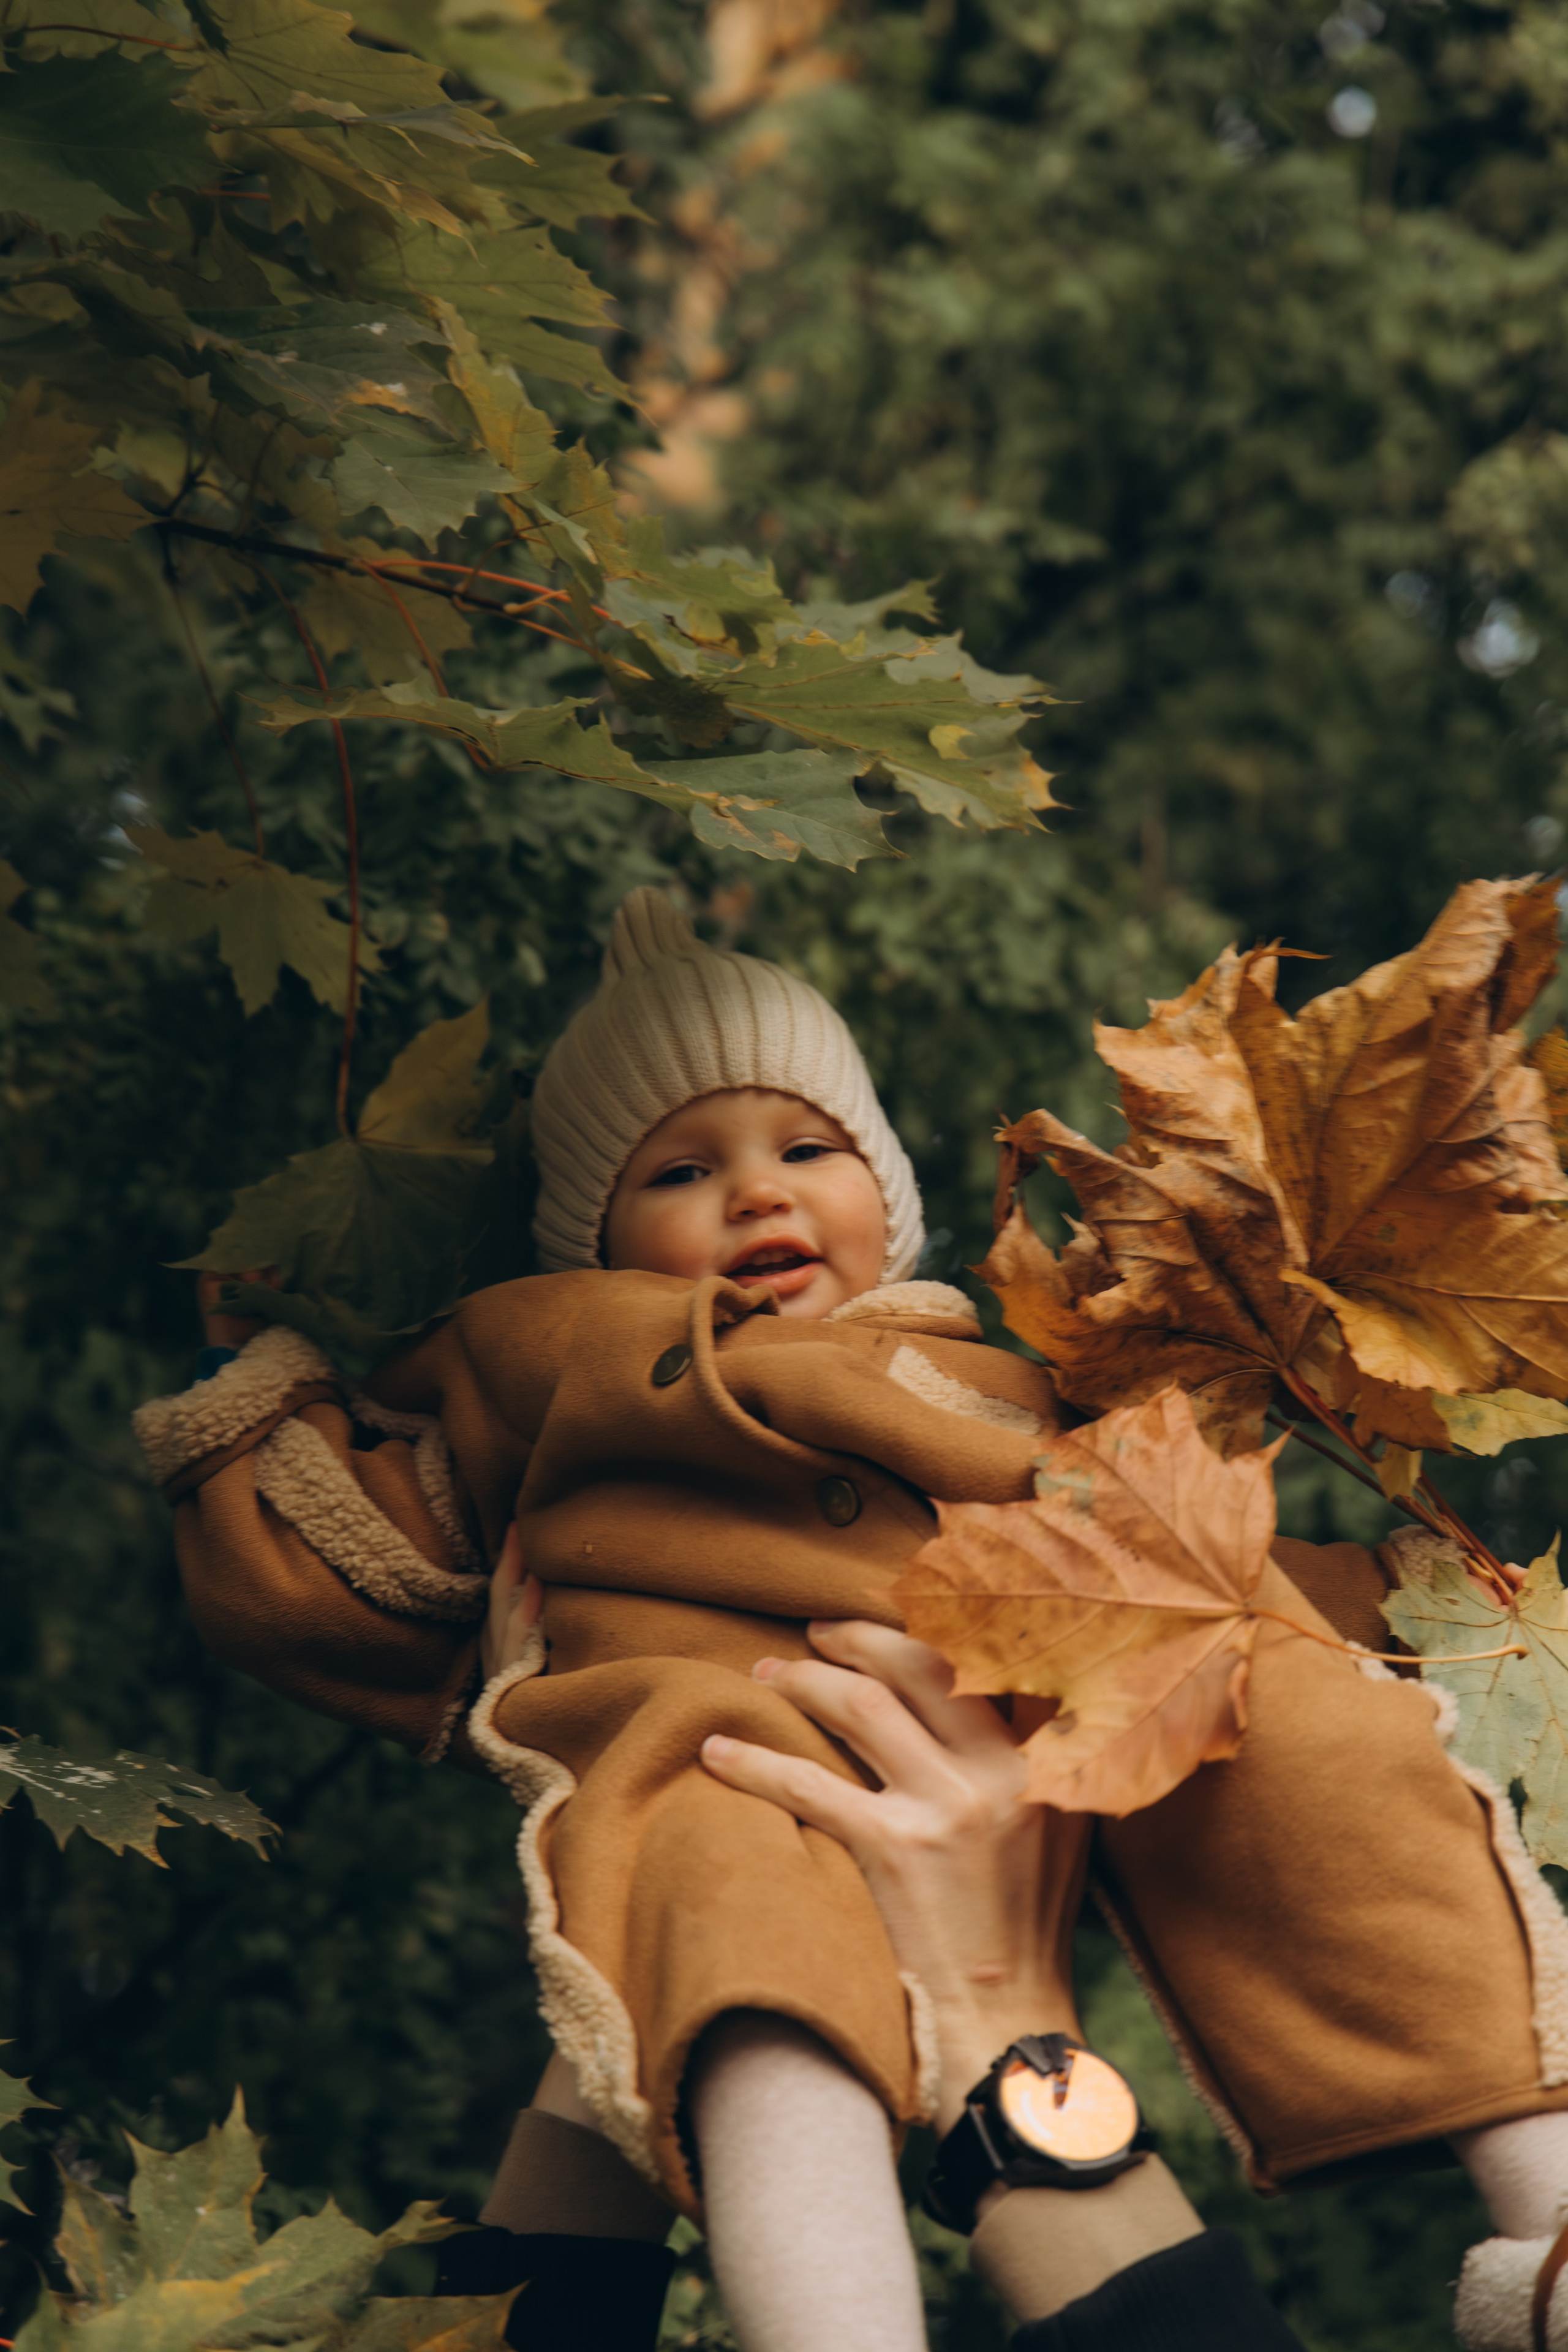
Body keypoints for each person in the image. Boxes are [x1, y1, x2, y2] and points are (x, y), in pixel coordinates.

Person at [137, 887, 1568, 2352]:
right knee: (746, 1967)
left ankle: (1546, 2218)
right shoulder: (536, 1359)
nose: (757, 1192)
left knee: (1323, 1737)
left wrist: (1404, 1595)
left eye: (805, 1149)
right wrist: (259, 1401)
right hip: (728, 1727)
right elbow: (344, 1550)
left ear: (885, 1194)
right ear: (592, 1240)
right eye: (681, 1172)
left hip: (1060, 1645)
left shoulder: (991, 1374)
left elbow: (1193, 1514)